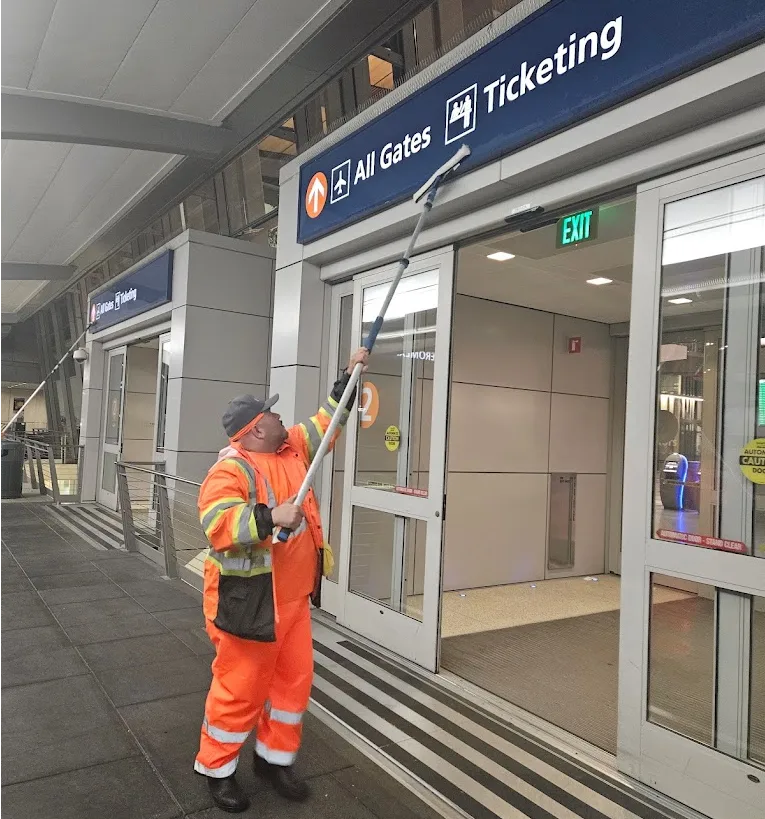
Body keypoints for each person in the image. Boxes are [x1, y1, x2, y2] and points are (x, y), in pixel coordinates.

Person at [194, 347, 370, 813]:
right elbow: (218, 524)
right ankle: (217, 768)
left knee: (293, 684)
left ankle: (273, 761)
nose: (278, 415)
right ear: (255, 430)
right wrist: (270, 516)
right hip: (250, 602)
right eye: (269, 413)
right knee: (240, 688)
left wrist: (348, 378)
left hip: (292, 601)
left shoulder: (290, 446)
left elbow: (325, 423)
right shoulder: (231, 469)